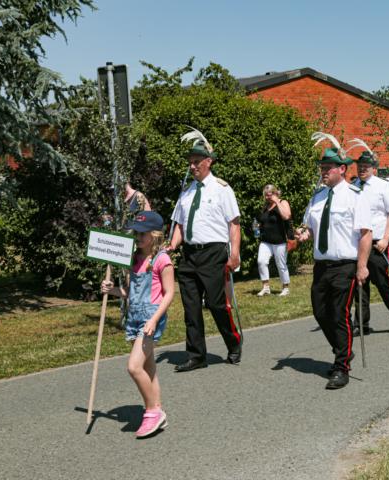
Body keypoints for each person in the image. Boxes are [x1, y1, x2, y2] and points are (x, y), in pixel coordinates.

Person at [295, 139, 372, 390]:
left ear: (342, 169)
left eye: (328, 167)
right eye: (322, 167)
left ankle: (341, 366)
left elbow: (365, 234)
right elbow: (310, 228)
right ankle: (343, 348)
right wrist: (303, 234)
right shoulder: (317, 197)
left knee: (339, 314)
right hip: (321, 266)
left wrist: (362, 266)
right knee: (320, 312)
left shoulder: (355, 196)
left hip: (345, 265)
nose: (324, 171)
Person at [169, 134, 243, 371]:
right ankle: (196, 356)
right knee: (191, 309)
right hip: (190, 255)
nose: (192, 166)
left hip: (213, 253)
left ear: (208, 161)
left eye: (196, 162)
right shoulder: (186, 192)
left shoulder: (222, 189)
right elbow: (180, 225)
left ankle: (233, 341)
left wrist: (235, 254)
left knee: (216, 304)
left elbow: (234, 224)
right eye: (190, 162)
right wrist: (172, 246)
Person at [101, 211, 174, 438]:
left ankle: (152, 411)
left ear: (155, 234)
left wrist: (153, 319)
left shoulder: (162, 260)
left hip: (151, 317)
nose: (139, 237)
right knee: (148, 367)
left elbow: (169, 293)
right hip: (134, 317)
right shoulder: (133, 259)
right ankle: (157, 407)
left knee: (134, 367)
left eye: (143, 233)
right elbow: (130, 292)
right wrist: (113, 290)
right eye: (136, 233)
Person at [349, 143, 389, 336]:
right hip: (358, 243)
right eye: (359, 166)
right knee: (360, 282)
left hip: (377, 243)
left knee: (382, 282)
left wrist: (385, 238)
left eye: (366, 166)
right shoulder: (352, 187)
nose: (362, 169)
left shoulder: (383, 186)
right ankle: (361, 323)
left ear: (373, 168)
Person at [256, 185, 292, 297]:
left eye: (269, 195)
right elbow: (263, 220)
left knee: (281, 264)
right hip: (266, 241)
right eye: (266, 195)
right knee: (261, 261)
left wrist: (277, 201)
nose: (267, 197)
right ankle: (266, 287)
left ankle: (285, 288)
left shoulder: (283, 202)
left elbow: (286, 216)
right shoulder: (266, 206)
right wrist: (259, 225)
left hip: (280, 241)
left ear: (276, 193)